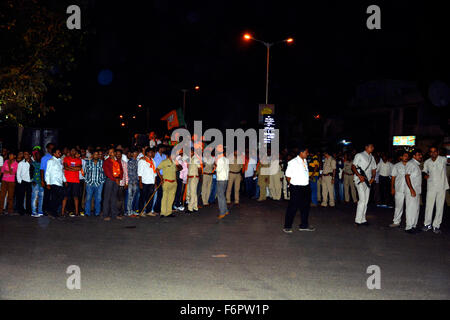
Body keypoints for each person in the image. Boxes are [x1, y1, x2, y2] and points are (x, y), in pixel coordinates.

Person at [283, 146, 315, 233]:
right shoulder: (293, 162)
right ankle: (287, 226)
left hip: (305, 187)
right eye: (306, 152)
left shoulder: (304, 161)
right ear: (301, 152)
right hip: (296, 187)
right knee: (293, 207)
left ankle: (304, 225)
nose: (307, 154)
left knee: (305, 207)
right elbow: (288, 176)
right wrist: (292, 185)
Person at [421, 146, 449, 234]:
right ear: (429, 153)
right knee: (429, 206)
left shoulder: (443, 159)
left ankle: (436, 225)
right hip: (431, 186)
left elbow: (448, 160)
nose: (433, 153)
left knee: (440, 207)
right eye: (431, 152)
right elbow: (424, 171)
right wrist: (425, 174)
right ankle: (427, 224)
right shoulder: (427, 162)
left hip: (441, 186)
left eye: (435, 151)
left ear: (438, 152)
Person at [352, 143, 377, 226]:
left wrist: (373, 177)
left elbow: (374, 169)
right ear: (366, 147)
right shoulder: (359, 155)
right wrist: (359, 175)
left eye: (373, 147)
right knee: (362, 200)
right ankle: (358, 220)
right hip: (360, 180)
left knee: (366, 201)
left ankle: (363, 219)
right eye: (371, 146)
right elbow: (353, 166)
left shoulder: (372, 157)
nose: (372, 148)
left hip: (368, 181)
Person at [404, 149, 423, 234]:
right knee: (410, 209)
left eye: (420, 155)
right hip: (411, 191)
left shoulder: (416, 164)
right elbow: (407, 176)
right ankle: (409, 227)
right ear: (414, 156)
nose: (420, 156)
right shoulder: (410, 163)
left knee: (416, 209)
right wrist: (411, 189)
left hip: (416, 190)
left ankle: (414, 226)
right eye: (418, 155)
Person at [102, 148, 123, 221]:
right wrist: (116, 179)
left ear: (114, 153)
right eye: (110, 152)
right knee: (107, 198)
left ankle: (114, 214)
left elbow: (121, 170)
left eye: (112, 152)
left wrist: (119, 178)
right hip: (110, 180)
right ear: (108, 154)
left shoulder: (117, 161)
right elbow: (107, 172)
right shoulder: (106, 162)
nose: (111, 153)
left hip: (116, 180)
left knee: (114, 198)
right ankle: (105, 215)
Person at [389, 151, 409, 228]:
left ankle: (409, 223)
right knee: (398, 206)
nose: (406, 157)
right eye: (404, 155)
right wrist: (392, 188)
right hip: (399, 189)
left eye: (407, 156)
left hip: (408, 189)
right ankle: (396, 221)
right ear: (401, 157)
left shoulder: (411, 165)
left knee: (409, 207)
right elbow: (393, 177)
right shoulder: (396, 166)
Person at [156, 148, 179, 217]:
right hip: (166, 182)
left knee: (171, 198)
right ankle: (163, 212)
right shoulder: (164, 162)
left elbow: (178, 169)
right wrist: (161, 178)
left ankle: (169, 212)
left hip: (174, 182)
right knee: (165, 197)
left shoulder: (175, 162)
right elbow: (157, 169)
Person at [44, 149, 66, 219]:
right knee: (55, 198)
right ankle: (53, 212)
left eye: (60, 152)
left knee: (59, 198)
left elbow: (61, 172)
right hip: (53, 182)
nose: (60, 154)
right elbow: (47, 172)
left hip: (59, 182)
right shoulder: (50, 161)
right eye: (58, 152)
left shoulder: (60, 161)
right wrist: (48, 183)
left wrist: (65, 180)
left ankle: (52, 211)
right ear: (54, 154)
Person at [61, 148, 82, 217]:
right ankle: (62, 212)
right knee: (65, 197)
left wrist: (70, 168)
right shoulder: (66, 158)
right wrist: (74, 168)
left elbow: (79, 168)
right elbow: (66, 167)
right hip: (67, 180)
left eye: (74, 150)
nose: (73, 152)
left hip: (76, 181)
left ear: (76, 151)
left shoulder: (78, 159)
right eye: (71, 150)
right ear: (70, 151)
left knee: (76, 197)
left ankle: (76, 212)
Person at [84, 151, 105, 217]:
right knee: (88, 198)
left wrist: (102, 181)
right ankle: (87, 212)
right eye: (95, 154)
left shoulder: (102, 162)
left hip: (99, 184)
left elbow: (104, 173)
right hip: (90, 183)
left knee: (98, 199)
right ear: (92, 155)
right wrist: (87, 181)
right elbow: (85, 172)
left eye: (97, 154)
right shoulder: (88, 162)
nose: (96, 155)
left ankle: (97, 213)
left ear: (99, 155)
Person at [138, 147, 157, 217]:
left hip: (151, 182)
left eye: (152, 152)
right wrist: (140, 182)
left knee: (150, 197)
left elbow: (154, 173)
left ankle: (149, 211)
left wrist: (155, 182)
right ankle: (141, 211)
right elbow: (139, 173)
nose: (152, 154)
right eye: (150, 152)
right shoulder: (142, 161)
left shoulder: (153, 161)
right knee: (143, 197)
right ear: (147, 153)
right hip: (144, 182)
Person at [16, 150, 33, 215]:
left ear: (29, 155)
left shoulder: (32, 163)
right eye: (24, 154)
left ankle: (28, 211)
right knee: (21, 197)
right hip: (22, 182)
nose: (25, 155)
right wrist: (20, 181)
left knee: (29, 197)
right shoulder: (21, 163)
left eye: (26, 154)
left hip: (29, 182)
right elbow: (18, 173)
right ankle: (21, 210)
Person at [215, 144, 229, 219]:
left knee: (220, 196)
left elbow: (218, 170)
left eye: (218, 148)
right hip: (225, 178)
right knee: (222, 195)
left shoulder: (219, 159)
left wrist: (215, 166)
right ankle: (225, 210)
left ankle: (222, 212)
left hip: (221, 179)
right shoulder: (226, 159)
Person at [40, 143, 55, 214]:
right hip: (47, 180)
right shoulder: (44, 158)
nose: (51, 150)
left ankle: (51, 210)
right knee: (47, 196)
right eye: (50, 148)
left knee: (54, 196)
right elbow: (42, 170)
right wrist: (42, 180)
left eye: (53, 148)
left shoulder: (56, 158)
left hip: (55, 180)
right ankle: (45, 210)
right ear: (47, 149)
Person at [152, 145, 167, 213]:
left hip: (164, 175)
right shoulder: (155, 156)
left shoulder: (164, 156)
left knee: (163, 193)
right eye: (163, 148)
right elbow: (156, 168)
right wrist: (160, 177)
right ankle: (156, 208)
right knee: (159, 192)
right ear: (160, 149)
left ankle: (161, 207)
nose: (164, 149)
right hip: (158, 176)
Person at [186, 148, 202, 213]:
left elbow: (199, 168)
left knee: (192, 193)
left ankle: (190, 208)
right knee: (193, 193)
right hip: (190, 177)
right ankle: (195, 207)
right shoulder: (190, 159)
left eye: (191, 152)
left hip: (194, 177)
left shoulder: (196, 159)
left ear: (193, 152)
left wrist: (199, 176)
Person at [30, 149, 44, 217]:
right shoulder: (33, 163)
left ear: (41, 156)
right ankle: (33, 211)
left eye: (39, 155)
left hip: (42, 182)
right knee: (34, 197)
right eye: (36, 155)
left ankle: (40, 211)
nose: (38, 156)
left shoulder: (43, 164)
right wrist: (32, 180)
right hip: (35, 182)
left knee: (41, 197)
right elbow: (30, 173)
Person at [126, 149, 139, 216]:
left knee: (133, 197)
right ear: (132, 154)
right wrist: (133, 181)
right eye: (134, 153)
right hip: (131, 182)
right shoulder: (130, 161)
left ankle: (132, 210)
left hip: (135, 181)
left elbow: (137, 172)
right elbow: (130, 173)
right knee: (130, 197)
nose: (136, 154)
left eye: (136, 153)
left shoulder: (137, 161)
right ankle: (128, 211)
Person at [116, 149, 128, 217]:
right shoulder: (113, 162)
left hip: (122, 183)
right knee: (115, 198)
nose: (118, 155)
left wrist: (126, 183)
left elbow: (126, 173)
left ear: (121, 155)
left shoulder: (124, 163)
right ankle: (116, 212)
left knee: (120, 199)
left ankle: (120, 212)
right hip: (114, 183)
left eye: (119, 154)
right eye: (117, 154)